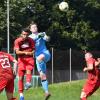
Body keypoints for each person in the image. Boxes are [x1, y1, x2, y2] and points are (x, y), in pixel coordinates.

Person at [29, 22, 51, 100]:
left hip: (45, 54)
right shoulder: (29, 37)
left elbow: (47, 39)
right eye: (33, 27)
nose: (35, 28)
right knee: (42, 75)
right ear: (30, 29)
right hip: (38, 59)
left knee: (39, 58)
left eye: (36, 27)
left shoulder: (42, 33)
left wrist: (46, 37)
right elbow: (31, 41)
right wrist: (38, 36)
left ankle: (42, 66)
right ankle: (46, 92)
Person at [14, 28, 35, 100]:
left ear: (28, 35)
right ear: (21, 34)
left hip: (29, 59)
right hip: (21, 60)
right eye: (24, 34)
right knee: (21, 77)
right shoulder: (17, 41)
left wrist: (31, 52)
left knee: (29, 70)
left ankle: (28, 83)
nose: (25, 36)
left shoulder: (31, 40)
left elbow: (33, 50)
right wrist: (25, 52)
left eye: (26, 34)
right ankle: (21, 95)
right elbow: (17, 52)